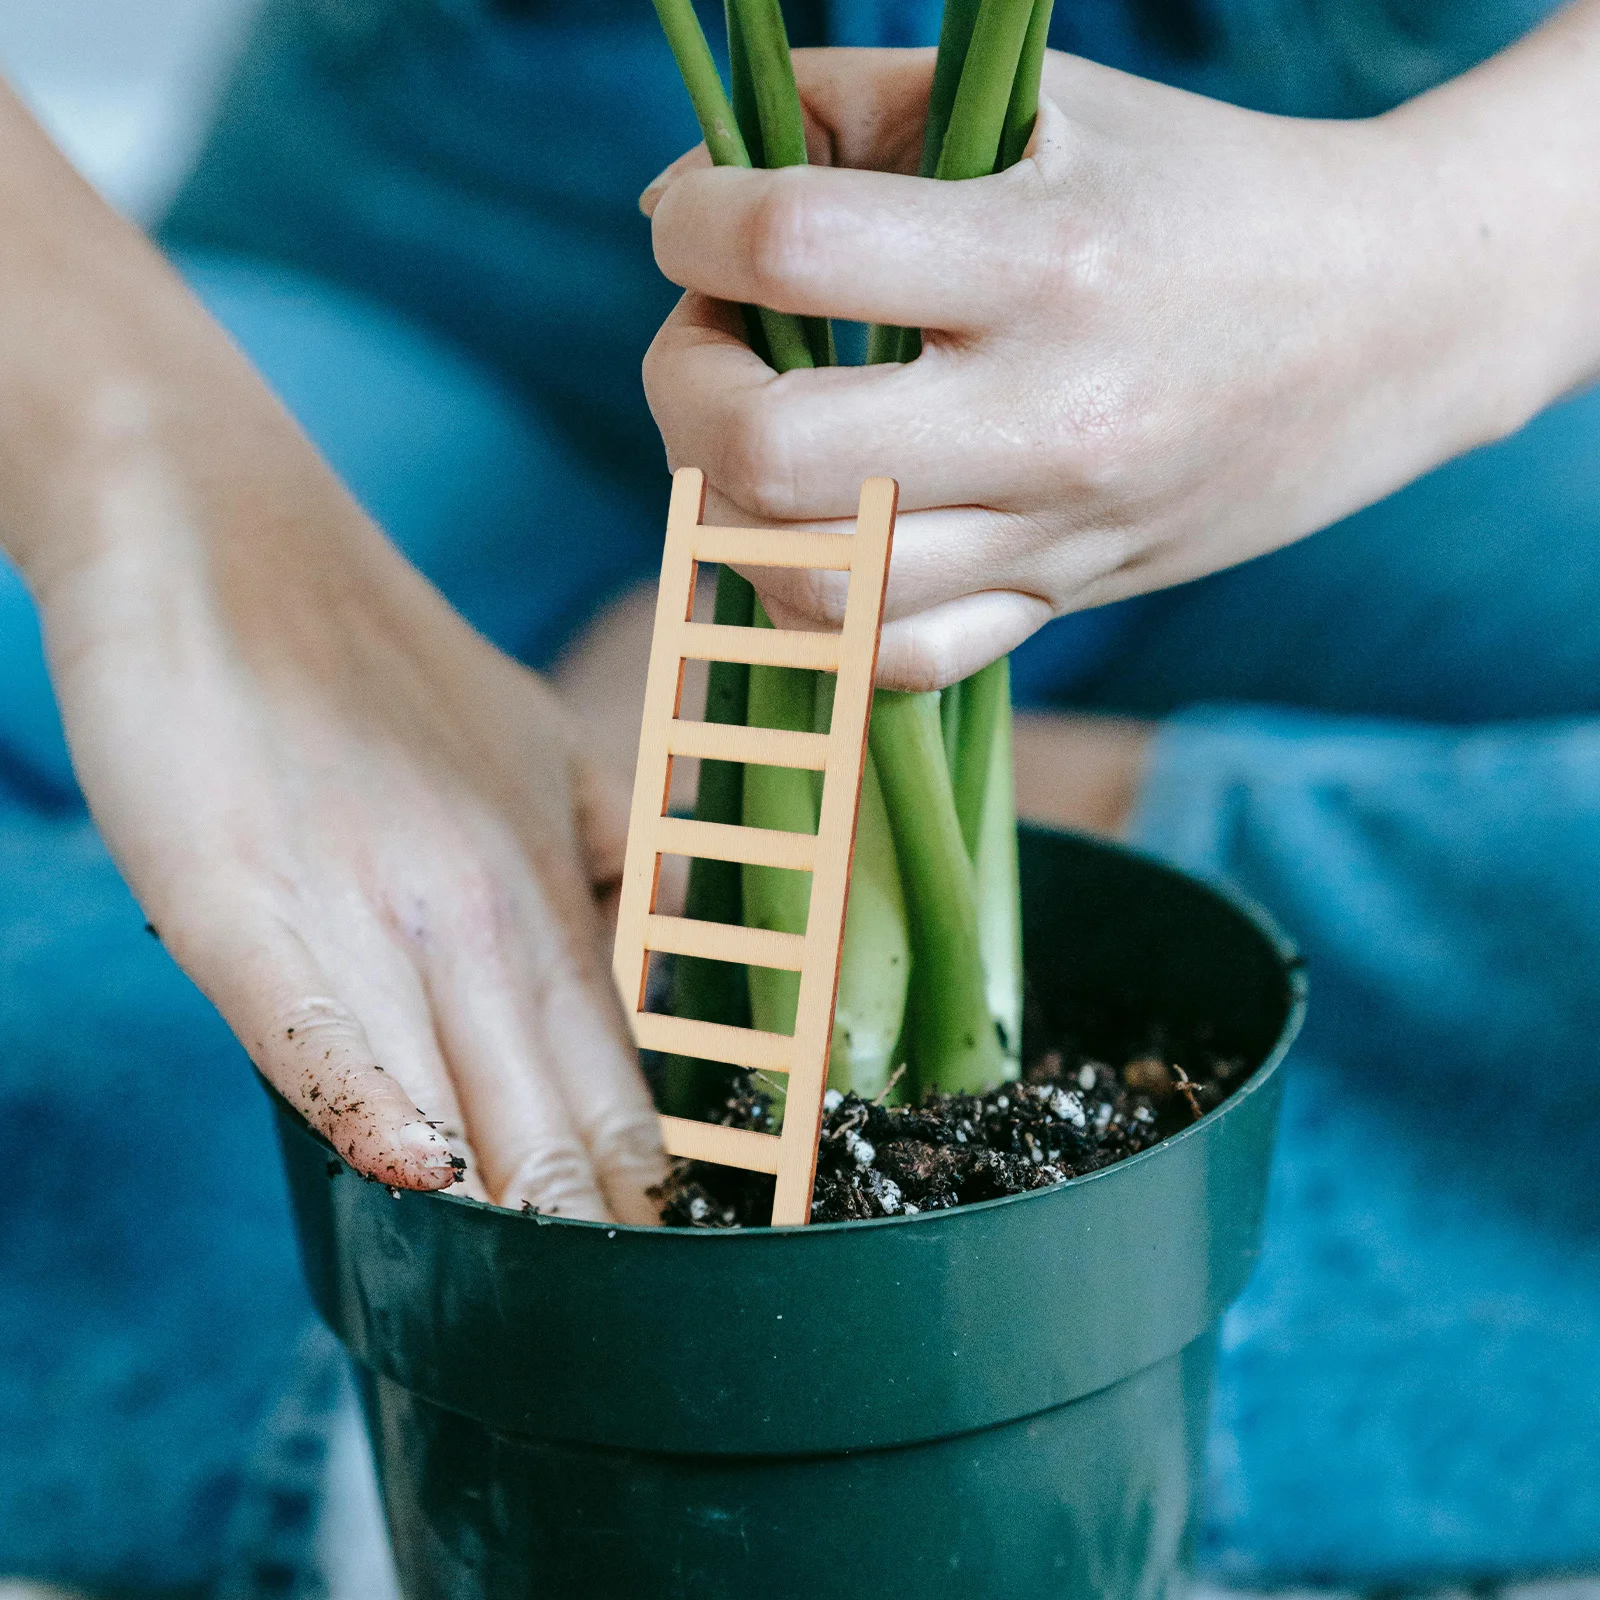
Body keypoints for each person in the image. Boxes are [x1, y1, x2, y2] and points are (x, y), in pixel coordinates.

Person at [0, 0, 1596, 1591]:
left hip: (1357, 203)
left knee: (221, 1010)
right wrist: (151, 480)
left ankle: (471, 1402)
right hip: (462, 221)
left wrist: (1431, 275)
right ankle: (1000, 1404)